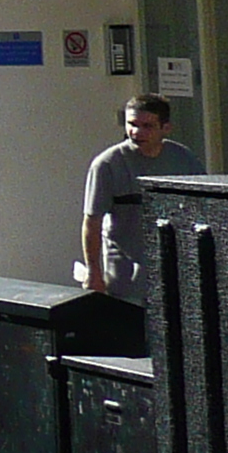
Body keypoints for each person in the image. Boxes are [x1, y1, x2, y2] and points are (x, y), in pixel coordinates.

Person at [83, 95, 193, 301]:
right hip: (127, 276)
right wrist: (93, 271)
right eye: (132, 124)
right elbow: (92, 221)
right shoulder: (108, 164)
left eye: (147, 126)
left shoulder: (182, 159)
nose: (137, 132)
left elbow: (201, 210)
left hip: (176, 274)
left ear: (166, 128)